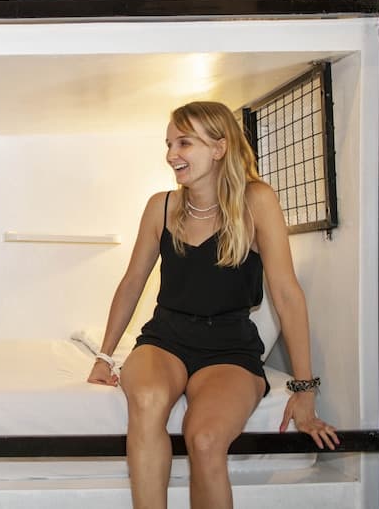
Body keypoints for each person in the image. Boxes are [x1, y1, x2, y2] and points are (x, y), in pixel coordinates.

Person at [87, 100, 338, 509]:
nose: (171, 154)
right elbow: (132, 282)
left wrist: (304, 388)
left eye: (184, 143)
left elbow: (287, 293)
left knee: (204, 438)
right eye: (169, 144)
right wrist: (103, 355)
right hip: (164, 339)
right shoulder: (161, 206)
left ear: (219, 147)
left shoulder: (257, 201)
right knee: (147, 400)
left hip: (229, 348)